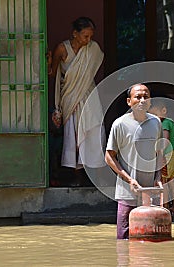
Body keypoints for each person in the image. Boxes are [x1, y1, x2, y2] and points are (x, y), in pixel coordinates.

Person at [48, 17, 106, 179]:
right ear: (75, 33)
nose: (88, 40)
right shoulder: (62, 49)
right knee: (73, 134)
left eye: (90, 36)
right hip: (69, 96)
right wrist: (49, 61)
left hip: (89, 95)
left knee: (94, 130)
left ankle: (94, 172)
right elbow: (52, 73)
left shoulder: (93, 48)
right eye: (85, 36)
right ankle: (75, 174)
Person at [105, 84, 163, 239]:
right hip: (127, 191)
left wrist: (158, 178)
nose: (142, 100)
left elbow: (159, 153)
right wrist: (129, 179)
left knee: (152, 237)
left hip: (150, 191)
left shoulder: (156, 122)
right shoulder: (120, 124)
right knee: (123, 237)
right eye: (138, 97)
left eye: (146, 96)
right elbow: (109, 156)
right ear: (129, 102)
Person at [148, 99, 174, 214]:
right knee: (170, 181)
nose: (152, 118)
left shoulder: (165, 123)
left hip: (170, 155)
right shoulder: (168, 122)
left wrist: (161, 156)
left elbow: (165, 140)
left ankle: (165, 207)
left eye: (154, 115)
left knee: (164, 181)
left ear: (164, 111)